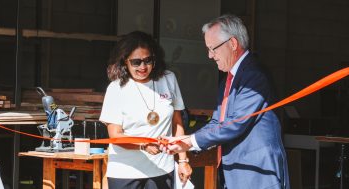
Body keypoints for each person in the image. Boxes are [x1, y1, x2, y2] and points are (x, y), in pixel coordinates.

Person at [160, 14, 290, 189]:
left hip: (257, 170)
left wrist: (191, 141)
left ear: (233, 44)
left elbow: (235, 124)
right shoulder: (227, 81)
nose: (209, 56)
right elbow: (217, 122)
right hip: (235, 171)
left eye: (213, 48)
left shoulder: (254, 76)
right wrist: (184, 140)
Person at [99, 31, 192, 189]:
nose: (143, 67)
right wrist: (143, 145)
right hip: (125, 172)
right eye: (136, 62)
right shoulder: (115, 88)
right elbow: (115, 135)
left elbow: (177, 123)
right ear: (125, 62)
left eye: (148, 60)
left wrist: (183, 160)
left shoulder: (168, 79)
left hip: (163, 169)